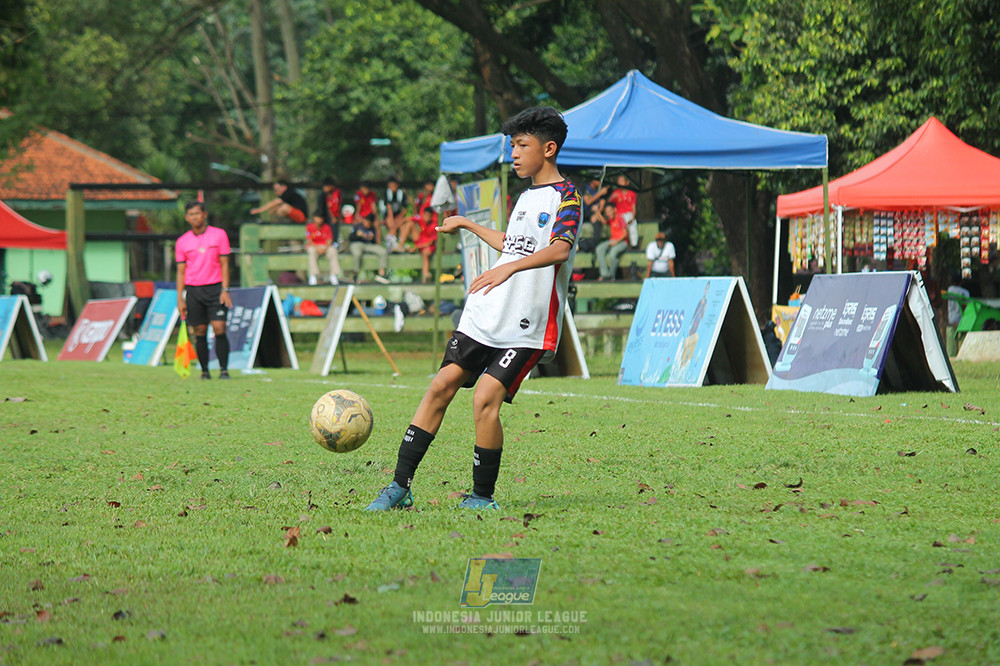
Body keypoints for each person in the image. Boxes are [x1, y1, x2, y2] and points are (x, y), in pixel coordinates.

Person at [365, 106, 581, 512]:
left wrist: (512, 269)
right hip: (486, 315)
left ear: (548, 148)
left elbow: (559, 249)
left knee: (485, 398)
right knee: (440, 386)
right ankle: (399, 488)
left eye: (521, 145)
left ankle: (482, 497)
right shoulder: (526, 195)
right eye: (512, 146)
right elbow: (513, 243)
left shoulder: (567, 197)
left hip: (525, 324)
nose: (514, 154)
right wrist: (467, 224)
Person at [175, 201, 233, 380]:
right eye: (191, 214)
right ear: (187, 218)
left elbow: (225, 264)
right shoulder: (182, 241)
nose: (195, 217)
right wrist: (180, 298)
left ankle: (224, 370)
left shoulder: (219, 235)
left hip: (215, 288)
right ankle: (205, 371)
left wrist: (225, 289)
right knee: (199, 331)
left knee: (219, 328)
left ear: (204, 214)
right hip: (194, 290)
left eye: (197, 214)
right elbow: (181, 271)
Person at [345, 204, 390, 284]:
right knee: (357, 254)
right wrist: (361, 235)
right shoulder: (358, 226)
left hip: (368, 245)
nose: (366, 224)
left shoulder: (373, 228)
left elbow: (377, 242)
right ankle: (355, 274)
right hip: (357, 244)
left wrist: (377, 228)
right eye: (366, 221)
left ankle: (381, 274)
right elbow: (351, 238)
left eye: (369, 223)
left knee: (382, 251)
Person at [305, 215, 342, 285]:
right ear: (314, 218)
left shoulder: (327, 227)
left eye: (320, 218)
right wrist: (317, 248)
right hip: (314, 246)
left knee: (333, 250)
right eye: (317, 218)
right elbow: (309, 240)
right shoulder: (309, 227)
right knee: (311, 251)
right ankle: (313, 275)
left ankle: (333, 275)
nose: (319, 220)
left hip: (325, 246)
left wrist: (324, 248)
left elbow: (330, 240)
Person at [595, 202, 627, 280]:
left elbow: (625, 234)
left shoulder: (620, 218)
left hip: (622, 242)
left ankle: (612, 276)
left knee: (613, 253)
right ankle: (605, 274)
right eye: (607, 212)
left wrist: (616, 242)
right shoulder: (610, 220)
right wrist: (598, 212)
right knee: (599, 249)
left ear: (614, 210)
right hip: (612, 241)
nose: (608, 214)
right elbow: (604, 222)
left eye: (609, 211)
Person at [380, 176, 411, 252]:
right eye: (391, 185)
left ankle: (400, 244)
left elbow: (405, 208)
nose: (392, 187)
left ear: (397, 185)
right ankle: (391, 242)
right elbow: (389, 208)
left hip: (398, 215)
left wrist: (398, 218)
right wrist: (393, 220)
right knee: (391, 223)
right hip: (389, 215)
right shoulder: (387, 193)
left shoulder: (401, 193)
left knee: (402, 224)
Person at [411, 205, 438, 282]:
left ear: (431, 216)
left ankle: (425, 275)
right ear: (423, 215)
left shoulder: (434, 226)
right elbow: (409, 219)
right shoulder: (421, 220)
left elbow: (431, 243)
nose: (427, 218)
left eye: (429, 216)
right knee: (410, 224)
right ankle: (400, 244)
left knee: (425, 254)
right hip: (420, 243)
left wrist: (416, 247)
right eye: (425, 216)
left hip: (429, 247)